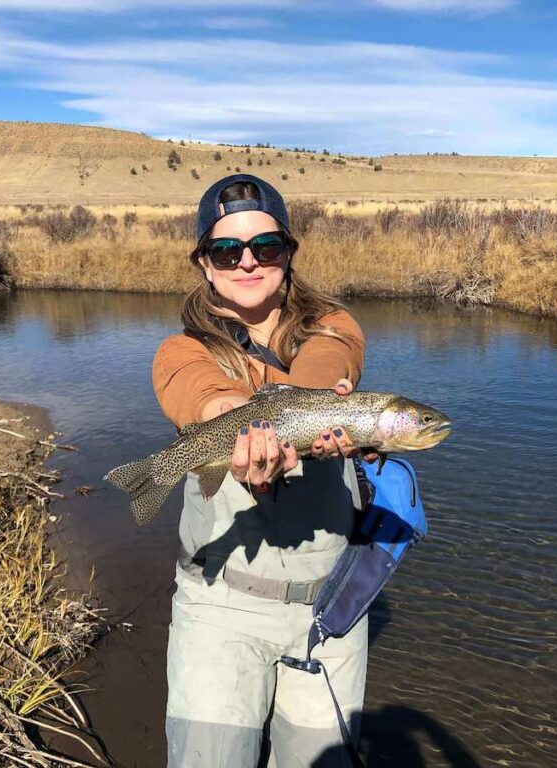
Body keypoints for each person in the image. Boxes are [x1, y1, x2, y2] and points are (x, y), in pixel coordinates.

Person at [152, 173, 371, 767]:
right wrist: (227, 415)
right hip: (218, 605)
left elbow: (327, 358)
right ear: (204, 262)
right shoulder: (182, 349)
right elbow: (195, 391)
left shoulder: (334, 324)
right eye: (227, 250)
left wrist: (314, 398)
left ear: (288, 254)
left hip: (330, 611)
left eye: (265, 247)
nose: (247, 262)